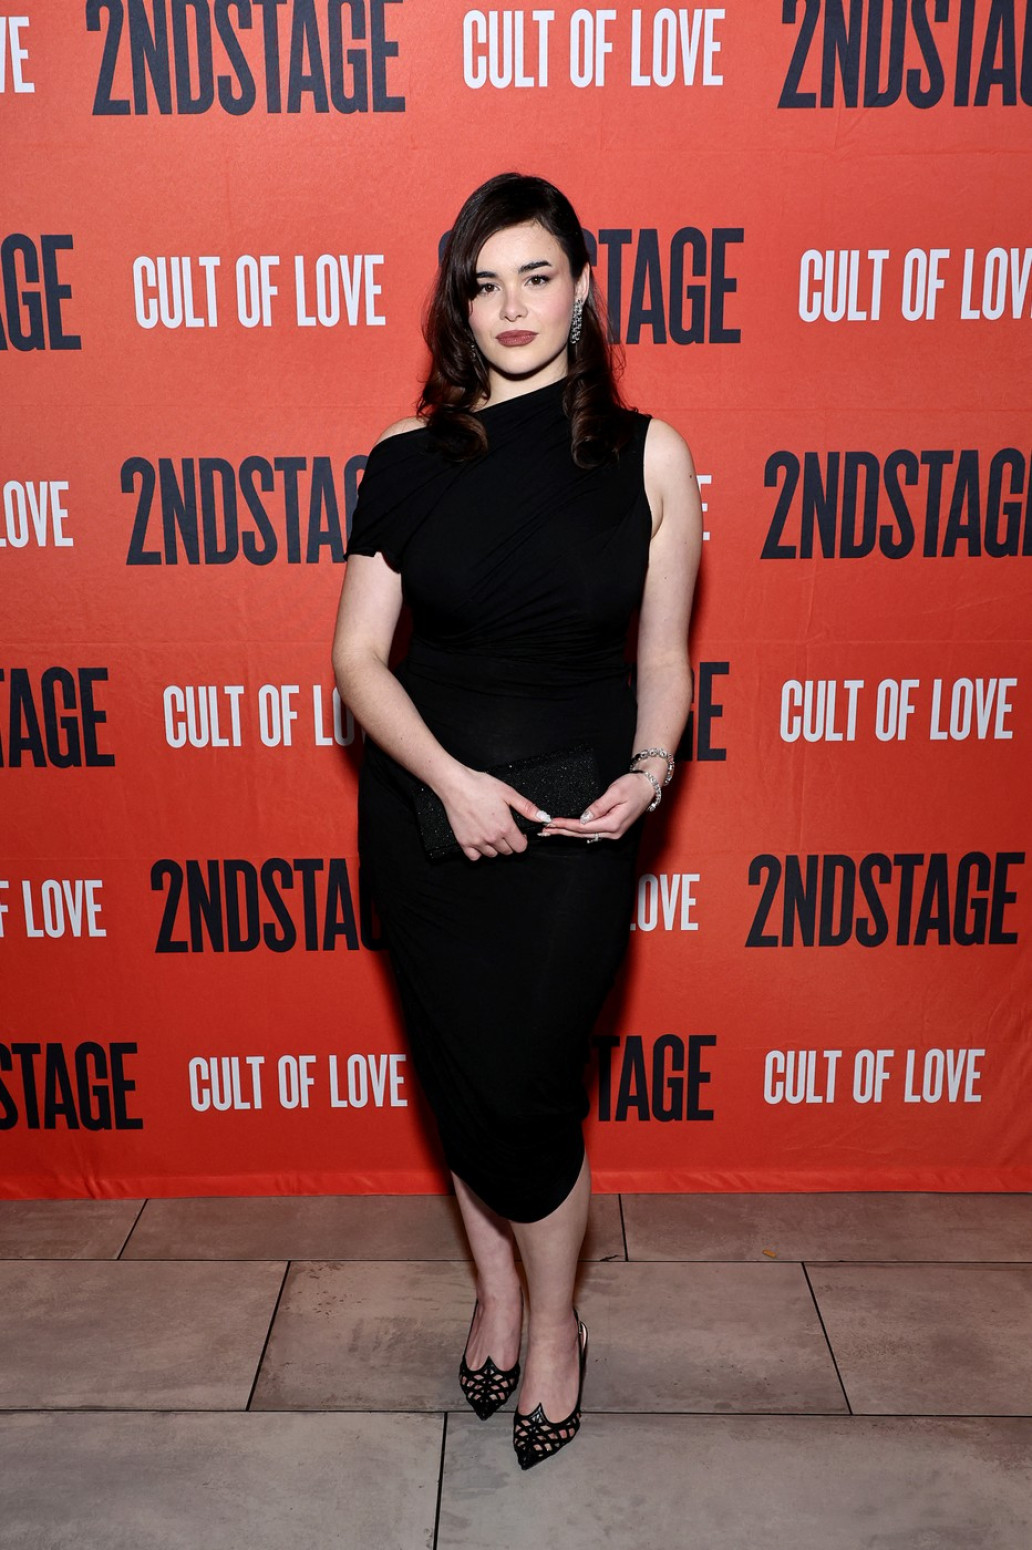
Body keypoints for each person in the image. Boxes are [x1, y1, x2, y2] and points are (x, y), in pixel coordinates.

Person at [331, 172, 702, 1469]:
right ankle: (495, 1294)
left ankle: (556, 1325)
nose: (511, 306)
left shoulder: (650, 454)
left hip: (580, 824)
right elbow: (358, 659)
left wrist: (651, 772)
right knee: (457, 1071)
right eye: (484, 284)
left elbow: (665, 654)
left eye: (537, 276)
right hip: (429, 814)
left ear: (584, 287)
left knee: (527, 1087)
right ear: (460, 304)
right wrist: (450, 780)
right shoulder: (407, 455)